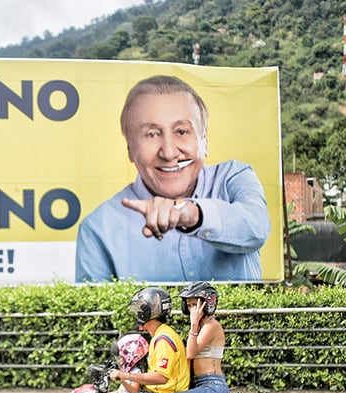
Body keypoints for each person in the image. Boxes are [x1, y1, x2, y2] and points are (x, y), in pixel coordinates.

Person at [75, 75, 270, 283]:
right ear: (130, 149)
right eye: (151, 134)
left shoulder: (234, 177)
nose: (168, 153)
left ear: (204, 140)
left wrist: (192, 215)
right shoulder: (98, 229)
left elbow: (256, 228)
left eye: (182, 131)